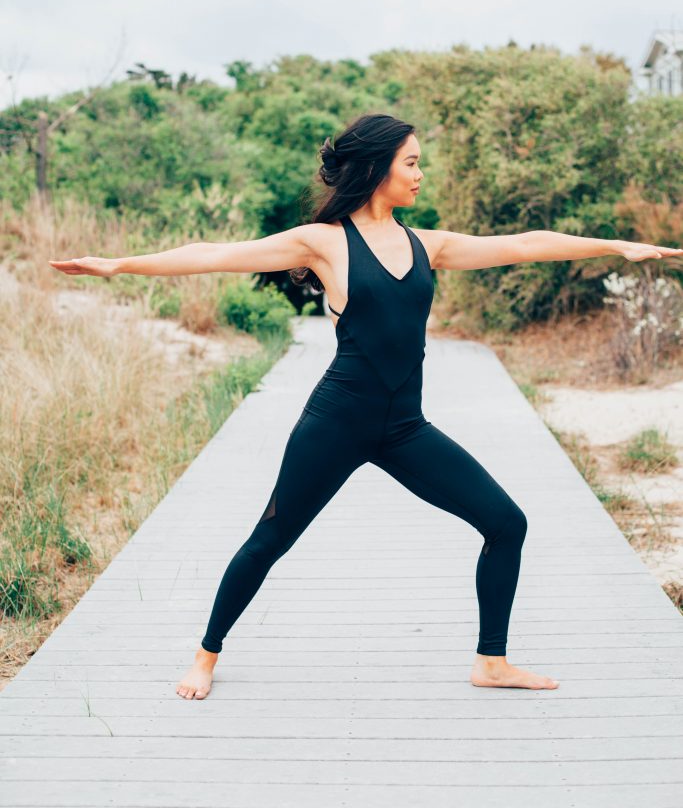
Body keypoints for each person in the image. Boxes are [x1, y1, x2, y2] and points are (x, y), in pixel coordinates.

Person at [49, 112, 682, 701]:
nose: (420, 173)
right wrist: (119, 266)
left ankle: (492, 662)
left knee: (506, 523)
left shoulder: (427, 244)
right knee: (272, 536)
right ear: (379, 168)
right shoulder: (323, 242)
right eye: (412, 162)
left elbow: (521, 244)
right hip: (337, 422)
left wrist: (612, 246)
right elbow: (215, 255)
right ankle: (205, 655)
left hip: (405, 428)